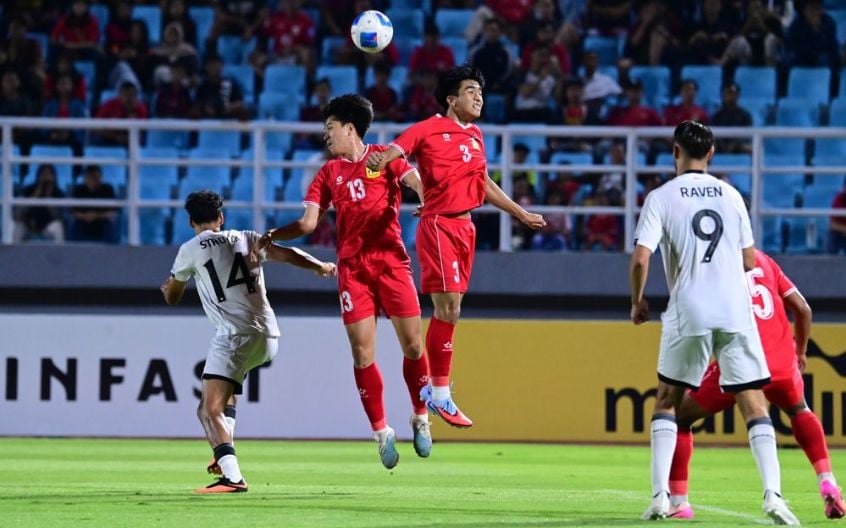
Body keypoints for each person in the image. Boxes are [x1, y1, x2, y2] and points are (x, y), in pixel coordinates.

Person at [629, 120, 799, 524]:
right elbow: (746, 259)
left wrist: (637, 301)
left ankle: (660, 498)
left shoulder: (661, 197)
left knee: (668, 400)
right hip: (735, 311)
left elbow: (640, 258)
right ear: (711, 154)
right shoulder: (731, 194)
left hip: (690, 308)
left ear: (675, 152)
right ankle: (774, 497)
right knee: (754, 402)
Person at [258, 94, 433, 469]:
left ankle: (420, 415)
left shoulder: (385, 155)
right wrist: (274, 234)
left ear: (350, 128)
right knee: (361, 352)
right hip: (353, 269)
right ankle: (382, 432)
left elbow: (415, 180)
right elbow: (307, 224)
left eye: (330, 129)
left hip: (392, 263)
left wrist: (425, 196)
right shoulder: (328, 173)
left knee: (414, 346)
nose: (327, 136)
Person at [366, 65, 546, 428]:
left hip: (466, 227)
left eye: (480, 91)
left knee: (453, 310)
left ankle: (437, 391)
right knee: (447, 306)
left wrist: (520, 213)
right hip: (439, 225)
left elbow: (483, 184)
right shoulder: (428, 127)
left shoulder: (476, 135)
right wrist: (379, 160)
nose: (478, 96)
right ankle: (439, 392)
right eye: (469, 90)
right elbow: (397, 149)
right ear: (451, 99)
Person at [161, 190, 336, 493]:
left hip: (234, 335)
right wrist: (319, 265)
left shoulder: (190, 248)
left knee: (207, 409)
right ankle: (223, 448)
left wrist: (168, 287)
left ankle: (232, 475)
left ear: (191, 221)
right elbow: (289, 254)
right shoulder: (247, 237)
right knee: (228, 393)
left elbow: (173, 297)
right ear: (221, 218)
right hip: (268, 335)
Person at [668, 248, 846, 520]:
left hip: (743, 357)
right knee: (799, 410)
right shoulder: (764, 260)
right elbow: (803, 309)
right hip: (783, 358)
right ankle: (827, 479)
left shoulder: (712, 263)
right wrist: (800, 352)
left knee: (679, 416)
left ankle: (678, 503)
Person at [13, 164, 65, 243]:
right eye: (43, 174)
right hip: (29, 224)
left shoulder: (58, 193)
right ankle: (13, 254)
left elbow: (59, 216)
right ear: (38, 175)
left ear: (54, 176)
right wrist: (35, 195)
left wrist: (48, 197)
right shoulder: (28, 190)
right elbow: (18, 213)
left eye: (48, 174)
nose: (46, 177)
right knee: (18, 226)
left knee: (57, 227)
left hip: (47, 226)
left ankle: (59, 254)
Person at [69, 164, 119, 244]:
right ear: (85, 178)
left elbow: (112, 212)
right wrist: (85, 216)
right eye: (90, 177)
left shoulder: (108, 189)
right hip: (83, 222)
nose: (94, 180)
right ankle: (73, 250)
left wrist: (96, 216)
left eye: (96, 177)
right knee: (74, 223)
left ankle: (112, 250)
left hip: (102, 222)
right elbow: (73, 212)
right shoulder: (79, 190)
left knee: (112, 223)